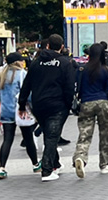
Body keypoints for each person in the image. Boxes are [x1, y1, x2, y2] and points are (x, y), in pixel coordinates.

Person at [18, 34, 75, 182]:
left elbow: (27, 84)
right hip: (57, 105)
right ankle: (47, 170)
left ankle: (55, 163)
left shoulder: (36, 62)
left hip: (39, 104)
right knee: (51, 137)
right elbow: (69, 86)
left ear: (47, 45)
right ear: (61, 47)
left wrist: (22, 103)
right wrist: (68, 104)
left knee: (49, 134)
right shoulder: (64, 63)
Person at [72, 43, 108, 179]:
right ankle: (104, 164)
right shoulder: (105, 70)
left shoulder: (82, 70)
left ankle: (80, 157)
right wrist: (106, 99)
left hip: (86, 103)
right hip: (102, 102)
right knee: (105, 134)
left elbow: (77, 88)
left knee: (85, 133)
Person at [0, 53, 40, 180]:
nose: (23, 62)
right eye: (21, 60)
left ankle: (2, 167)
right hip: (21, 111)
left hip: (6, 111)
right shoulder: (22, 74)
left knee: (7, 140)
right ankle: (35, 164)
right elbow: (28, 94)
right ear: (17, 62)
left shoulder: (0, 76)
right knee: (28, 139)